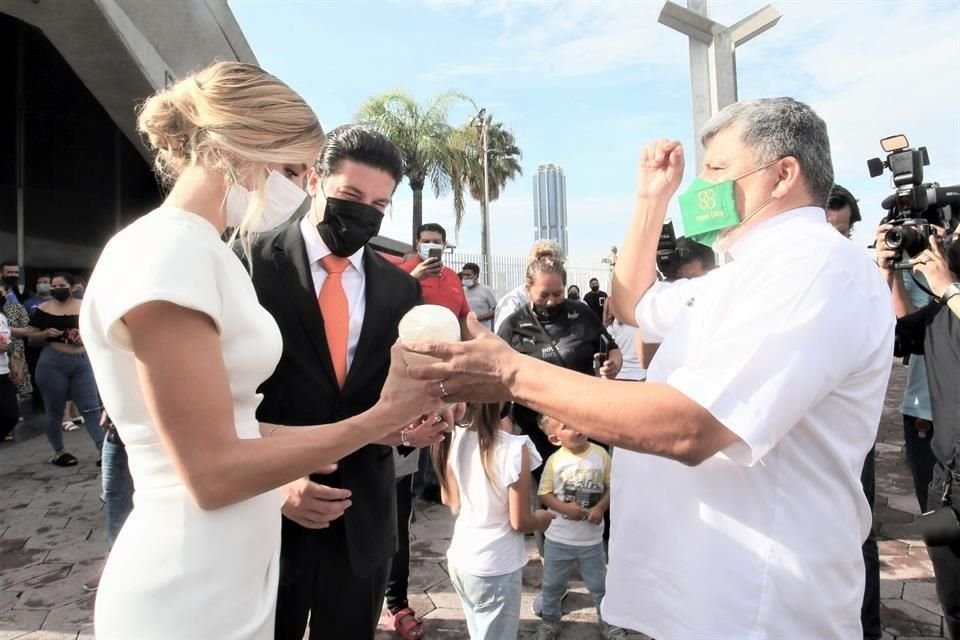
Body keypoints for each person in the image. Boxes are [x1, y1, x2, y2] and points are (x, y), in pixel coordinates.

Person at [404, 97, 895, 638]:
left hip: (759, 607)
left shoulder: (816, 267)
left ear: (782, 175)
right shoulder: (741, 275)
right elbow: (635, 300)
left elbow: (692, 426)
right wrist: (649, 199)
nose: (700, 188)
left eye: (717, 169)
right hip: (700, 599)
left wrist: (513, 373)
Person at [79, 61, 443, 640]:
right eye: (297, 169)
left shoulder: (203, 250)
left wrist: (397, 421)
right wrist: (381, 417)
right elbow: (213, 471)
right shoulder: (168, 252)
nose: (299, 188)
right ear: (240, 147)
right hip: (189, 575)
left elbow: (243, 425)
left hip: (233, 563)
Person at [246, 124, 447, 640]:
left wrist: (431, 410)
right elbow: (220, 400)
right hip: (266, 516)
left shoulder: (400, 289)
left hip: (364, 517)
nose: (364, 211)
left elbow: (394, 395)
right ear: (314, 179)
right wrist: (276, 482)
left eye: (379, 204)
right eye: (351, 195)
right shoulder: (246, 263)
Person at [877, 221, 960, 638]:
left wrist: (948, 289)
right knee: (953, 594)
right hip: (944, 483)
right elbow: (896, 335)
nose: (948, 245)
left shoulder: (950, 299)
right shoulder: (942, 310)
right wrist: (888, 274)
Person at [433, 403, 554, 639]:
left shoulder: (454, 437)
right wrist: (542, 519)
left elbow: (449, 499)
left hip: (461, 558)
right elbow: (520, 522)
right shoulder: (515, 449)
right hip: (496, 566)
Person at [497, 248, 622, 468]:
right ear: (528, 290)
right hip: (538, 428)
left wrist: (613, 365)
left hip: (585, 421)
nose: (552, 301)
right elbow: (497, 373)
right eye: (544, 294)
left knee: (592, 484)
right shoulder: (513, 325)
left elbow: (612, 348)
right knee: (549, 491)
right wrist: (501, 416)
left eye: (558, 293)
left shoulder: (581, 313)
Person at [827, 183, 879, 640]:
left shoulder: (862, 277)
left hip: (847, 434)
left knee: (857, 532)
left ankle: (868, 627)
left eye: (841, 235)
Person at [535, 415, 625, 640]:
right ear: (555, 438)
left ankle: (608, 622)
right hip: (559, 539)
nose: (577, 428)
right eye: (567, 427)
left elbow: (612, 486)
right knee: (552, 585)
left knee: (599, 585)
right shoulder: (555, 461)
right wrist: (565, 510)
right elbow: (544, 494)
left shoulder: (600, 455)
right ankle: (550, 622)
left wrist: (600, 508)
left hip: (591, 541)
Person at [29, 272, 104, 465]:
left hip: (81, 360)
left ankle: (103, 450)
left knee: (91, 408)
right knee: (54, 409)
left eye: (60, 285)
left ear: (72, 287)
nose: (55, 289)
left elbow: (99, 330)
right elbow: (32, 337)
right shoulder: (44, 309)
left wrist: (83, 336)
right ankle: (59, 452)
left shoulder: (85, 307)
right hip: (52, 362)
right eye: (53, 285)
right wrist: (45, 333)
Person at [399, 223, 471, 326]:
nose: (431, 245)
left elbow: (464, 315)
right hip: (413, 340)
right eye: (426, 242)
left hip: (450, 340)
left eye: (436, 242)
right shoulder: (402, 271)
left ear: (444, 245)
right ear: (418, 244)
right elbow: (386, 303)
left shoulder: (453, 276)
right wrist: (412, 278)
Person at [493, 240, 564, 333]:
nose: (550, 302)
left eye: (557, 294)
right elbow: (502, 341)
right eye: (543, 295)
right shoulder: (512, 303)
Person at [0, 287, 21, 442]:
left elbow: (7, 341)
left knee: (11, 415)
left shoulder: (2, 316)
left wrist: (13, 364)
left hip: (2, 371)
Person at [461, 262, 497, 330]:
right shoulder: (461, 291)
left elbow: (496, 310)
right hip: (465, 332)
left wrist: (478, 318)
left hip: (483, 332)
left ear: (476, 276)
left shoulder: (486, 290)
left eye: (468, 275)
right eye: (463, 275)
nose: (465, 277)